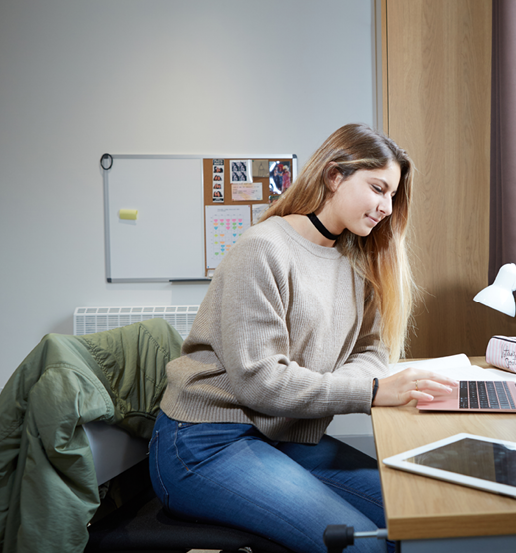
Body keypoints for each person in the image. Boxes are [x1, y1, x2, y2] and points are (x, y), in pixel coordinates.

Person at [150, 123, 457, 553]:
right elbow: (261, 381)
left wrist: (369, 386)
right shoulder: (264, 249)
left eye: (392, 195)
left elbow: (371, 348)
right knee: (366, 546)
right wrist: (370, 392)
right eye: (377, 188)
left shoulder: (352, 261)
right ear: (334, 176)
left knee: (420, 519)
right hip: (205, 444)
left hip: (283, 437)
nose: (386, 206)